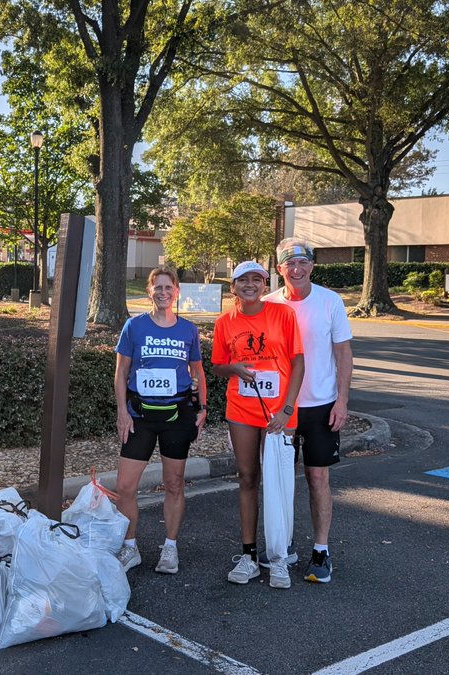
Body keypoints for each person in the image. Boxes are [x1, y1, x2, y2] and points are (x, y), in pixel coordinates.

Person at [263, 238, 353, 584]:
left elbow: (343, 355)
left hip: (320, 406)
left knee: (318, 478)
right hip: (280, 410)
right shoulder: (269, 304)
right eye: (289, 264)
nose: (296, 270)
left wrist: (342, 401)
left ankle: (321, 550)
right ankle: (281, 549)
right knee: (279, 482)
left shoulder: (330, 301)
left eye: (303, 263)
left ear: (312, 266)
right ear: (279, 268)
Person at [211, 260, 304, 589]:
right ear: (233, 286)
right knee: (248, 478)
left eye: (256, 279)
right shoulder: (225, 323)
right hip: (242, 410)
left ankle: (279, 557)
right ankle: (249, 556)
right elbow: (219, 365)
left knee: (279, 481)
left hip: (279, 412)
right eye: (242, 280)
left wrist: (288, 409)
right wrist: (234, 369)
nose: (249, 284)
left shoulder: (283, 315)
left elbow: (298, 362)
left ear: (265, 285)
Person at [113, 267, 208, 574]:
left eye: (169, 287)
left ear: (176, 291)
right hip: (139, 416)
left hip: (177, 416)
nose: (164, 292)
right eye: (158, 287)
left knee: (174, 483)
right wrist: (122, 412)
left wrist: (203, 407)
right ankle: (129, 547)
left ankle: (170, 547)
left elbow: (198, 372)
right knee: (125, 486)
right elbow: (120, 373)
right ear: (150, 290)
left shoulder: (188, 330)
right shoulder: (134, 326)